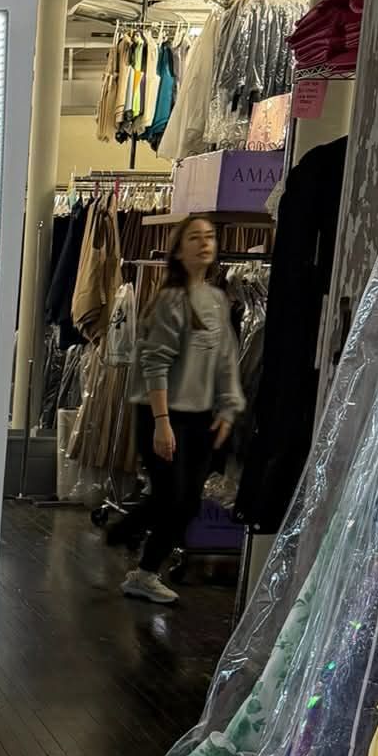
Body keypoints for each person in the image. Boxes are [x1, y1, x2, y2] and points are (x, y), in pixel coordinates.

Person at [117, 214, 244, 605]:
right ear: (179, 249)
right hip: (162, 413)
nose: (205, 243)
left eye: (210, 237)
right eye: (195, 237)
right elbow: (154, 363)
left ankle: (138, 561)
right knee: (173, 498)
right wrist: (161, 423)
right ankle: (132, 547)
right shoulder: (171, 301)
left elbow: (226, 360)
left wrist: (227, 408)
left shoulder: (218, 299)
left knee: (185, 502)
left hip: (200, 417)